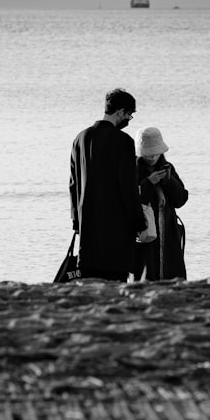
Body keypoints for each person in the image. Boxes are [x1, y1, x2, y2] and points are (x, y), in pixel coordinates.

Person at [69, 89, 147, 282]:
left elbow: (73, 184)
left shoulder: (81, 138)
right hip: (117, 227)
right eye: (130, 114)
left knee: (88, 280)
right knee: (115, 279)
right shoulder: (123, 142)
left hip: (88, 226)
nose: (129, 118)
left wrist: (76, 221)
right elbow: (127, 186)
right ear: (120, 112)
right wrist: (138, 221)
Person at [134, 126, 188, 281]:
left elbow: (181, 200)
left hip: (168, 231)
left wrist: (168, 181)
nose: (151, 157)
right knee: (145, 273)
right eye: (148, 154)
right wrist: (149, 183)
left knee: (170, 273)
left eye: (154, 153)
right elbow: (130, 200)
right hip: (145, 232)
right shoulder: (133, 170)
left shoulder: (167, 168)